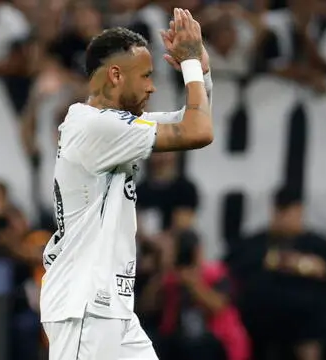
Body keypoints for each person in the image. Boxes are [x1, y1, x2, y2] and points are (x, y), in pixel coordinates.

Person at [40, 8, 214, 360]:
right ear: (116, 75)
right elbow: (197, 130)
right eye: (146, 76)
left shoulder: (115, 126)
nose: (152, 86)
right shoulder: (94, 127)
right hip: (84, 307)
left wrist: (202, 71)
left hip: (112, 309)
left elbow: (194, 120)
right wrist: (192, 65)